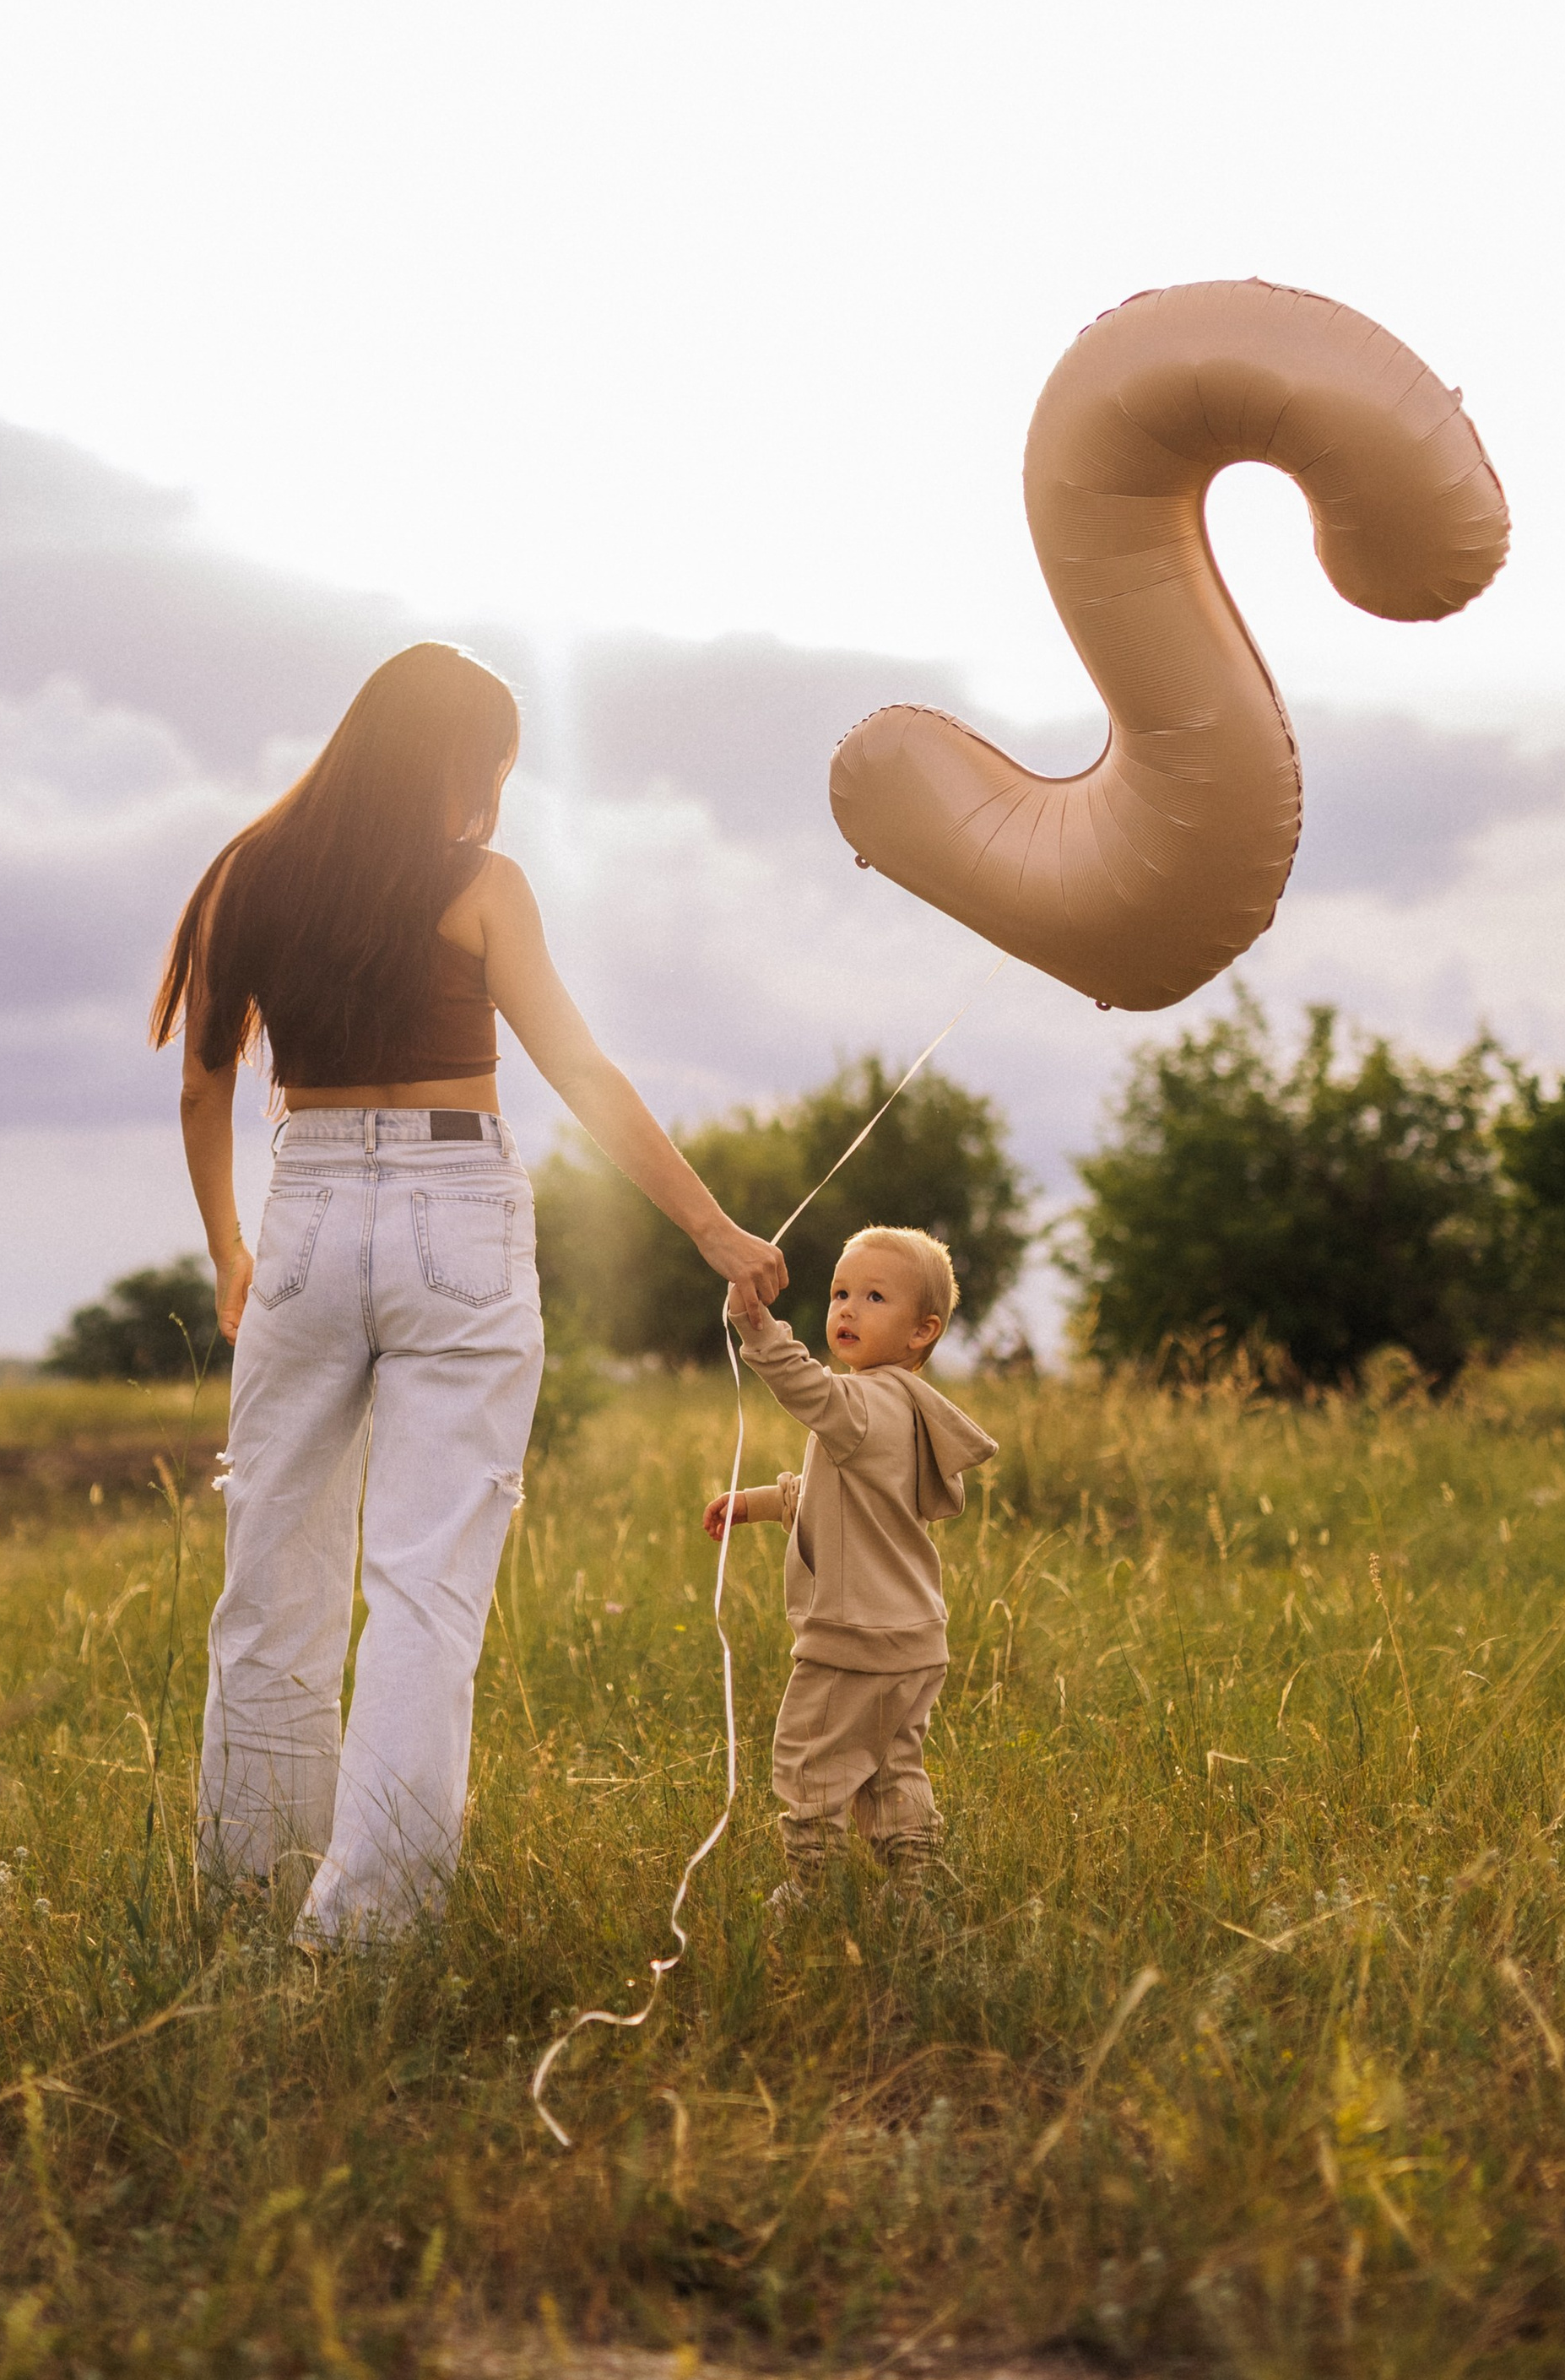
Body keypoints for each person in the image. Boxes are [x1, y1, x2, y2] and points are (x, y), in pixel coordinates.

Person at [154, 641, 788, 1942]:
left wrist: (229, 1246)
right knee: (425, 1588)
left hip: (309, 1207)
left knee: (271, 1573)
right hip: (457, 1210)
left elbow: (204, 1082)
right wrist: (715, 1229)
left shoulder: (246, 875)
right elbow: (582, 1073)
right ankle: (367, 1930)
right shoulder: (483, 886)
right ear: (463, 760)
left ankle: (248, 1889)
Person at [703, 1228, 996, 1894]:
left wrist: (757, 1326)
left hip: (853, 1641)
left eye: (873, 1296)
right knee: (893, 1772)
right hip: (915, 1643)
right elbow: (843, 1501)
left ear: (922, 1331)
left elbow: (808, 1390)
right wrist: (757, 1503)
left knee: (812, 1766)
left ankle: (814, 1896)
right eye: (840, 1293)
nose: (846, 1309)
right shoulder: (909, 1411)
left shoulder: (860, 1402)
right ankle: (917, 1891)